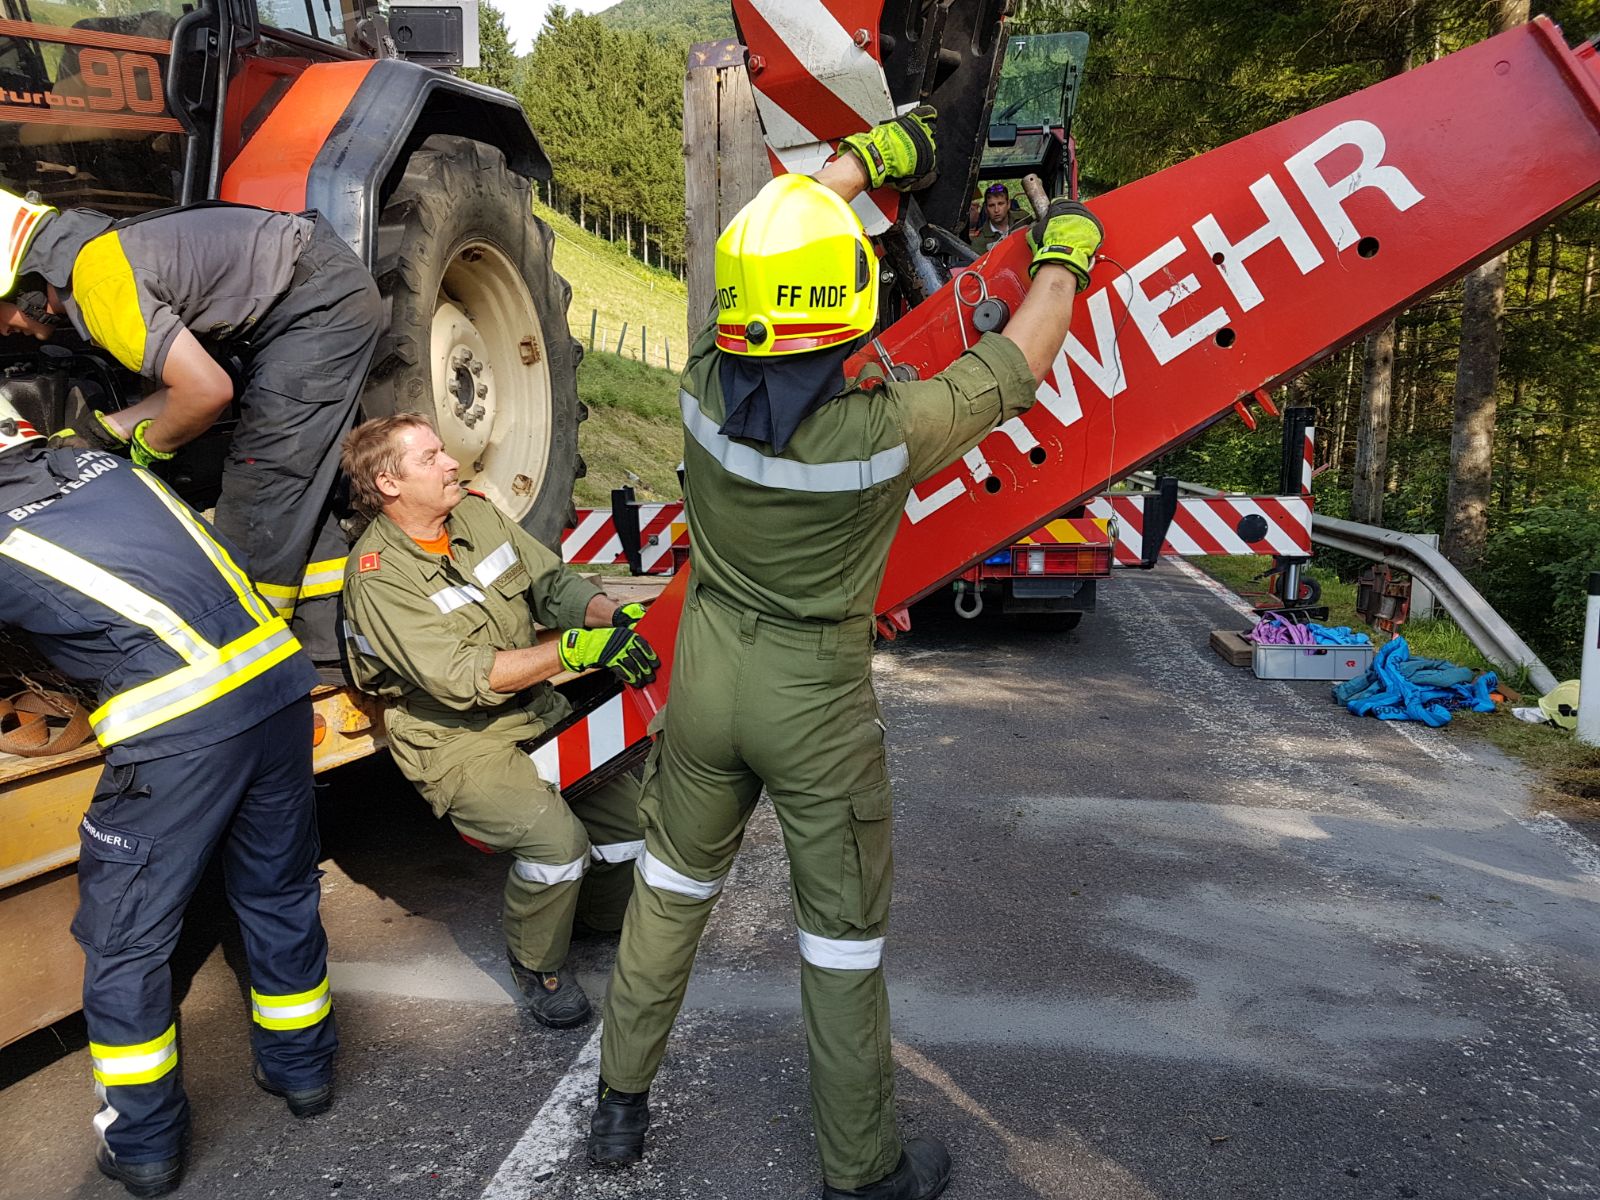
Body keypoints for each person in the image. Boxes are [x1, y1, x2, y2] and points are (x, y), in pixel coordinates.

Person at [588, 106, 1104, 1199]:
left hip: (708, 674)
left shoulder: (699, 379)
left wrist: (860, 163)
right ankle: (863, 1171)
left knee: (670, 891)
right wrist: (1062, 254)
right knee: (839, 942)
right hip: (812, 699)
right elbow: (1017, 359)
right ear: (847, 305)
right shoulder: (884, 428)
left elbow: (769, 266)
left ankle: (618, 1108)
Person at [0, 399, 336, 1199]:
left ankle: (145, 1144)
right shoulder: (105, 466)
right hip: (279, 685)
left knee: (125, 939)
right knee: (278, 891)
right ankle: (303, 1072)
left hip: (178, 731)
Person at [339, 414, 656, 1027]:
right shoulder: (378, 578)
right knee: (556, 844)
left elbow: (552, 586)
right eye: (430, 458)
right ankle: (538, 964)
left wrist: (610, 617)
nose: (450, 463)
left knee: (637, 821)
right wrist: (572, 652)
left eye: (443, 451)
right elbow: (462, 676)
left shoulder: (477, 516)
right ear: (389, 484)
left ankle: (587, 919)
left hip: (534, 709)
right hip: (457, 739)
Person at [0, 187, 382, 676]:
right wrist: (106, 431)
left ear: (22, 286)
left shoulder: (98, 286)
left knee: (261, 486)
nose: (2, 331)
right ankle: (326, 652)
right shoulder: (101, 256)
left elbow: (207, 391)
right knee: (302, 487)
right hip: (315, 289)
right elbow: (189, 385)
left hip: (315, 306)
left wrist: (150, 448)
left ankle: (248, 660)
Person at [969, 181, 1030, 254]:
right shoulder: (979, 240)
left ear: (1008, 204)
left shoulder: (1024, 219)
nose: (996, 210)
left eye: (1000, 204)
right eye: (991, 205)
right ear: (985, 208)